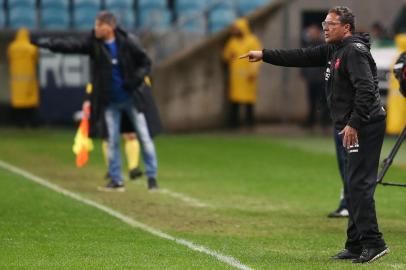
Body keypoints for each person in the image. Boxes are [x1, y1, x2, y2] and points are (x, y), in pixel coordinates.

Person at [240, 6, 389, 263]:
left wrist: (353, 124)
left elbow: (366, 90)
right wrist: (264, 54)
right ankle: (355, 244)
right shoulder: (336, 49)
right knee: (352, 185)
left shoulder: (353, 52)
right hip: (351, 125)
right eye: (324, 23)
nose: (325, 28)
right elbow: (301, 56)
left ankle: (374, 243)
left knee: (358, 185)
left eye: (331, 24)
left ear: (347, 28)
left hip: (364, 125)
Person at [32, 11, 159, 191]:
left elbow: (145, 63)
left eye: (99, 25)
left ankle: (152, 178)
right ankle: (116, 180)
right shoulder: (94, 43)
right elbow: (71, 46)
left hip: (131, 98)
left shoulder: (128, 42)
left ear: (110, 27)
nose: (96, 29)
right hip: (109, 101)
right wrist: (48, 44)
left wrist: (134, 81)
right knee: (111, 140)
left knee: (144, 138)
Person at [223, 18, 262, 128]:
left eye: (237, 29)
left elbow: (257, 57)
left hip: (247, 75)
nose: (235, 31)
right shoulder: (232, 42)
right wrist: (229, 56)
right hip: (235, 76)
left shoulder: (252, 40)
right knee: (235, 100)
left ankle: (250, 122)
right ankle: (233, 122)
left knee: (249, 100)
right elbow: (225, 55)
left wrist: (253, 72)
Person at [7, 28, 40, 127]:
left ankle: (18, 123)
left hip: (16, 81)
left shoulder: (12, 47)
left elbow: (9, 59)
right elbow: (36, 60)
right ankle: (31, 123)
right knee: (29, 103)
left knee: (18, 103)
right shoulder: (32, 47)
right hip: (29, 80)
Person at [301, 24, 330, 128]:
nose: (311, 34)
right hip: (311, 79)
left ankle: (324, 122)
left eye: (313, 32)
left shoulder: (324, 46)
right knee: (311, 101)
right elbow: (304, 60)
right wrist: (304, 73)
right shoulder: (309, 45)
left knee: (323, 101)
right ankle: (311, 121)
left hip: (321, 79)